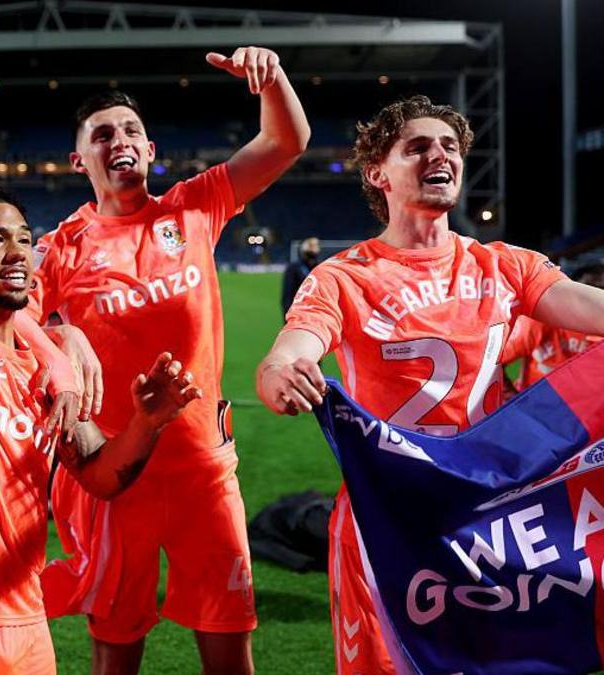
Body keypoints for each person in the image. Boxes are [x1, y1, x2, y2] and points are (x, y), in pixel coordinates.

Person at [0, 30, 204, 673]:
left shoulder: (45, 368)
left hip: (26, 628)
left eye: (24, 238)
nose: (19, 252)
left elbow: (103, 477)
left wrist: (146, 422)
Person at [257, 95, 604, 674]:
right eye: (416, 146)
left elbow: (590, 307)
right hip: (389, 526)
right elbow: (291, 350)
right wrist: (279, 373)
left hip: (494, 521)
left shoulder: (507, 266)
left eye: (448, 146)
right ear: (377, 173)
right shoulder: (345, 276)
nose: (438, 155)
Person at [30, 47, 310, 674]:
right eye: (102, 135)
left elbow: (287, 141)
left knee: (228, 641)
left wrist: (273, 78)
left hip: (201, 470)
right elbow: (4, 311)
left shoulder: (195, 206)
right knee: (117, 649)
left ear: (151, 149)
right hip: (114, 476)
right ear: (79, 160)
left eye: (130, 130)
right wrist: (55, 331)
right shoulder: (60, 247)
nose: (119, 140)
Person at [502, 262, 604, 391]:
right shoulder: (542, 319)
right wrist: (510, 399)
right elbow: (494, 357)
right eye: (582, 293)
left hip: (581, 410)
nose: (588, 302)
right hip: (533, 406)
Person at [281, 236, 321, 317]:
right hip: (298, 313)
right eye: (311, 245)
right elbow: (287, 295)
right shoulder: (294, 268)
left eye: (316, 245)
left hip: (316, 314)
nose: (314, 249)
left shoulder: (320, 267)